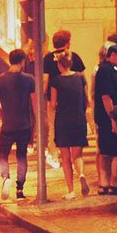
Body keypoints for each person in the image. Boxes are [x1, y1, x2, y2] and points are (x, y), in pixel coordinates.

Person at [44, 30, 90, 198]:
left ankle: (71, 191)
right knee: (77, 154)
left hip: (62, 117)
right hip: (78, 115)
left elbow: (47, 87)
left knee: (65, 155)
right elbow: (85, 90)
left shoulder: (48, 60)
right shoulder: (77, 66)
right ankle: (82, 174)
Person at [0, 49, 36, 200]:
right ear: (23, 61)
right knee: (21, 156)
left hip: (7, 126)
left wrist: (4, 117)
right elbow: (35, 105)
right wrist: (35, 126)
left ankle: (6, 177)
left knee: (2, 155)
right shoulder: (30, 80)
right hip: (24, 125)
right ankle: (20, 189)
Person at [93, 43, 117, 195]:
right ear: (112, 55)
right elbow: (106, 97)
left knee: (105, 151)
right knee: (116, 151)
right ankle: (113, 184)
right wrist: (113, 119)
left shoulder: (107, 70)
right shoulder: (106, 71)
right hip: (109, 119)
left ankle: (104, 184)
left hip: (105, 118)